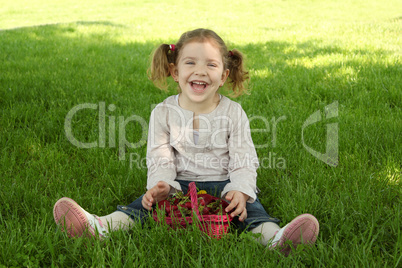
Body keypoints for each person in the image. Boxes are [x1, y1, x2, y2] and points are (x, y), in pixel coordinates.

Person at [53, 28, 319, 256]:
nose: (200, 71)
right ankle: (100, 227)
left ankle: (275, 239)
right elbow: (160, 156)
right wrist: (162, 186)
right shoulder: (164, 112)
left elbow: (243, 159)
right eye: (190, 63)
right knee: (142, 207)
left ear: (224, 75)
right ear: (174, 71)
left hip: (226, 185)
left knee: (250, 212)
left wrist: (240, 189)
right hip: (179, 187)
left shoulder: (233, 112)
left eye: (211, 65)